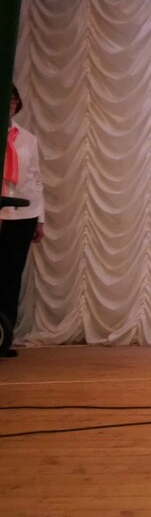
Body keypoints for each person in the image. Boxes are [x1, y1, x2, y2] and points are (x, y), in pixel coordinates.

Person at [1, 85, 44, 358]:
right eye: (7, 98)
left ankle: (5, 337)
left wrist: (40, 218)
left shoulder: (28, 139)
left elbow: (36, 179)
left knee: (11, 276)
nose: (11, 103)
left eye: (14, 99)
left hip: (23, 215)